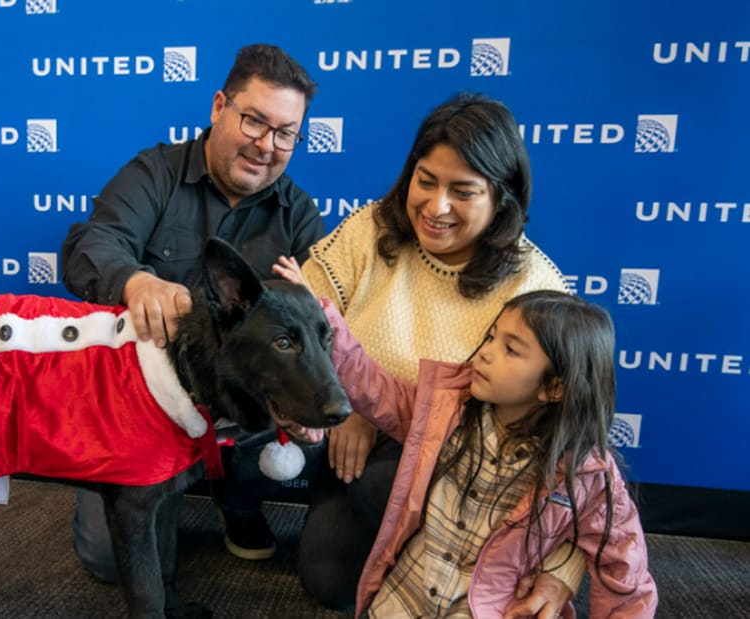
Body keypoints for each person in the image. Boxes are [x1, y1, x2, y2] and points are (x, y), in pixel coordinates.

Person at [291, 93, 579, 612]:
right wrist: (346, 404)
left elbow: (580, 450)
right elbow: (303, 317)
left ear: (502, 199)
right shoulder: (369, 229)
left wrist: (563, 570)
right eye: (426, 181)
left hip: (471, 476)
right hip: (354, 449)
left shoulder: (536, 285)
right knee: (328, 575)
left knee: (384, 485)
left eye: (462, 191)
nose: (436, 206)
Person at [59, 43, 325, 582]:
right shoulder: (153, 173)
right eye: (254, 121)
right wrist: (135, 280)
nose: (266, 145)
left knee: (322, 409)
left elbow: (322, 324)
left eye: (285, 133)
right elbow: (93, 243)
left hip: (238, 407)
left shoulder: (298, 212)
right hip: (140, 404)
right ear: (219, 107)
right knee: (109, 563)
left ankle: (241, 502)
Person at [279, 269, 659, 617]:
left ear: (554, 387)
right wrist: (321, 318)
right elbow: (373, 387)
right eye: (492, 337)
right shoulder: (446, 410)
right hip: (401, 601)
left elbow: (625, 575)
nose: (486, 352)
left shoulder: (588, 474)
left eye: (511, 349)